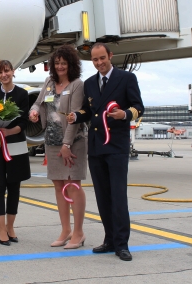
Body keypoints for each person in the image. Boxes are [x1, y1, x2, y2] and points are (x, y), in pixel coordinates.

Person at [67, 42, 144, 261]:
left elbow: (139, 107)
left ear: (110, 56)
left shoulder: (126, 79)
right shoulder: (90, 83)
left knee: (118, 196)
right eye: (95, 60)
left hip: (117, 146)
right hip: (97, 146)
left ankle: (122, 243)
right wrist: (76, 116)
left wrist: (125, 115)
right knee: (102, 196)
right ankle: (109, 239)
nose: (99, 63)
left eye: (102, 58)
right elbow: (87, 110)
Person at [29, 44, 87, 249]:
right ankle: (65, 230)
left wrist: (66, 144)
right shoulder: (49, 82)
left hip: (72, 143)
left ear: (71, 64)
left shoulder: (77, 84)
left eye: (64, 63)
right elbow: (38, 102)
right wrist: (34, 111)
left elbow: (75, 118)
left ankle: (78, 232)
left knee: (72, 186)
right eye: (57, 63)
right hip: (52, 142)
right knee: (58, 186)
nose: (60, 66)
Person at [0, 60, 31, 246]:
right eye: (0, 72)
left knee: (14, 188)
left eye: (7, 71)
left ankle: (11, 226)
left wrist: (9, 131)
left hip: (15, 146)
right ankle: (1, 228)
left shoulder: (22, 94)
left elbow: (24, 121)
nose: (4, 75)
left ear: (13, 72)